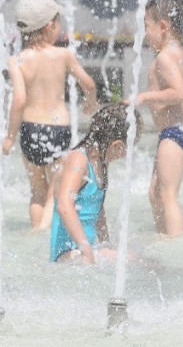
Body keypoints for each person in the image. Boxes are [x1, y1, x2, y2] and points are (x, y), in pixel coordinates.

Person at [2, 0, 98, 230]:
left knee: (36, 191)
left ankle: (36, 229)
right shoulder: (63, 55)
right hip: (58, 130)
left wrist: (10, 137)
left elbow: (19, 100)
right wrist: (90, 103)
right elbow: (90, 84)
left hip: (30, 130)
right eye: (58, 23)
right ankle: (42, 235)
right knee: (53, 193)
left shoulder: (17, 61)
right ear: (49, 26)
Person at [134, 0, 183, 236]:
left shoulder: (164, 57)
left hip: (173, 134)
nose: (144, 34)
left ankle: (175, 243)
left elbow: (180, 93)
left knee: (168, 195)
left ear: (163, 26)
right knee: (155, 193)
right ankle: (162, 234)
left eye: (146, 27)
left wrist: (144, 97)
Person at [50, 103, 143, 263]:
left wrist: (106, 243)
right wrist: (86, 250)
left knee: (139, 257)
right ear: (117, 145)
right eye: (131, 147)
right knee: (135, 261)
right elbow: (64, 205)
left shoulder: (100, 163)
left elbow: (96, 208)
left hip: (85, 250)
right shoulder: (79, 159)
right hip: (67, 254)